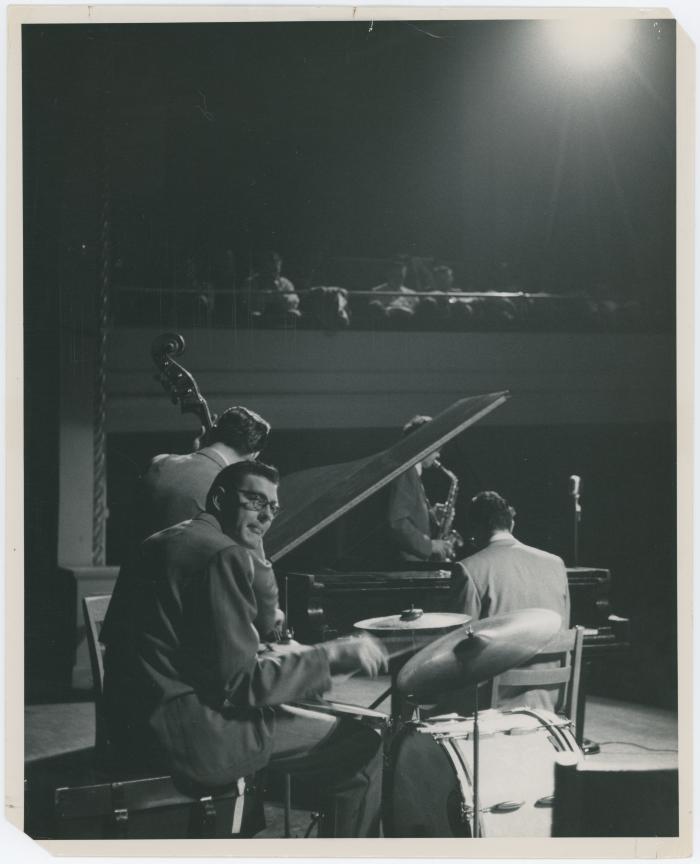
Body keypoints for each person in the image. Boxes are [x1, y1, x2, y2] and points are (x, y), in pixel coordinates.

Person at [101, 460, 388, 837]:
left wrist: (256, 552)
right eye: (255, 501)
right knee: (364, 747)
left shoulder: (164, 539)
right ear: (220, 498)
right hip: (192, 735)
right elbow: (240, 683)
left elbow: (227, 637)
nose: (266, 515)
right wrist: (334, 656)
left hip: (133, 727)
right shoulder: (221, 555)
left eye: (272, 507)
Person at [139, 405, 283, 640]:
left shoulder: (158, 464)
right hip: (187, 631)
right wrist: (272, 617)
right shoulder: (233, 492)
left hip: (137, 617)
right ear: (254, 455)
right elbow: (256, 576)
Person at [450, 490, 571, 711]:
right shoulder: (556, 564)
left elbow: (460, 646)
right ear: (511, 524)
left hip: (496, 704)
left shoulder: (469, 568)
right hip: (550, 698)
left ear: (476, 528)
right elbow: (563, 630)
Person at [387, 415, 453, 562]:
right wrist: (430, 546)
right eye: (436, 447)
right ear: (423, 444)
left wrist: (432, 514)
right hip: (408, 564)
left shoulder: (412, 473)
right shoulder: (405, 472)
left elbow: (408, 512)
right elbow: (397, 522)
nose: (438, 454)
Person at [241, 250, 301, 323]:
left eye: (277, 262)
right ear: (264, 265)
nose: (275, 265)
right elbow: (248, 302)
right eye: (271, 262)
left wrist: (279, 294)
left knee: (295, 314)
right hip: (260, 315)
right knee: (254, 315)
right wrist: (263, 296)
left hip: (281, 314)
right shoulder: (251, 282)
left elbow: (294, 301)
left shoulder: (286, 282)